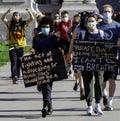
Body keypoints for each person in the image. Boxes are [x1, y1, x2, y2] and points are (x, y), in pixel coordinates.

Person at [69, 13, 104, 115]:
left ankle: (97, 104)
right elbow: (77, 47)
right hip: (86, 63)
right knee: (88, 83)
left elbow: (107, 48)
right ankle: (89, 105)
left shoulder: (101, 33)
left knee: (99, 82)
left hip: (99, 63)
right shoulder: (83, 34)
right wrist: (72, 55)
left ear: (96, 22)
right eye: (89, 21)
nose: (91, 23)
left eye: (93, 21)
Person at [30, 17, 61, 118]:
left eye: (47, 27)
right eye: (43, 27)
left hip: (50, 65)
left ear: (50, 28)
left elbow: (57, 49)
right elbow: (34, 49)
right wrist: (32, 51)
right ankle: (49, 104)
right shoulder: (36, 38)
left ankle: (45, 106)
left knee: (47, 86)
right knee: (43, 87)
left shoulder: (53, 38)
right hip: (39, 65)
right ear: (40, 27)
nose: (45, 29)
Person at [1, 8, 34, 84]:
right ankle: (14, 76)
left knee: (19, 63)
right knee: (13, 62)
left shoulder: (23, 24)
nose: (16, 17)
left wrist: (29, 11)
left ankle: (17, 76)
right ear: (13, 17)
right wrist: (7, 12)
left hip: (21, 46)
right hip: (12, 46)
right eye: (14, 15)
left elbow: (32, 19)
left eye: (17, 15)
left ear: (19, 17)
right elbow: (2, 19)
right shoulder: (10, 24)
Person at [98, 4, 120, 111]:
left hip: (112, 57)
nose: (107, 13)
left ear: (112, 13)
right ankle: (104, 93)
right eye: (105, 12)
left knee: (112, 79)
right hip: (100, 57)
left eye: (109, 11)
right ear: (102, 13)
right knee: (102, 80)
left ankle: (109, 102)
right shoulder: (98, 26)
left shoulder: (117, 26)